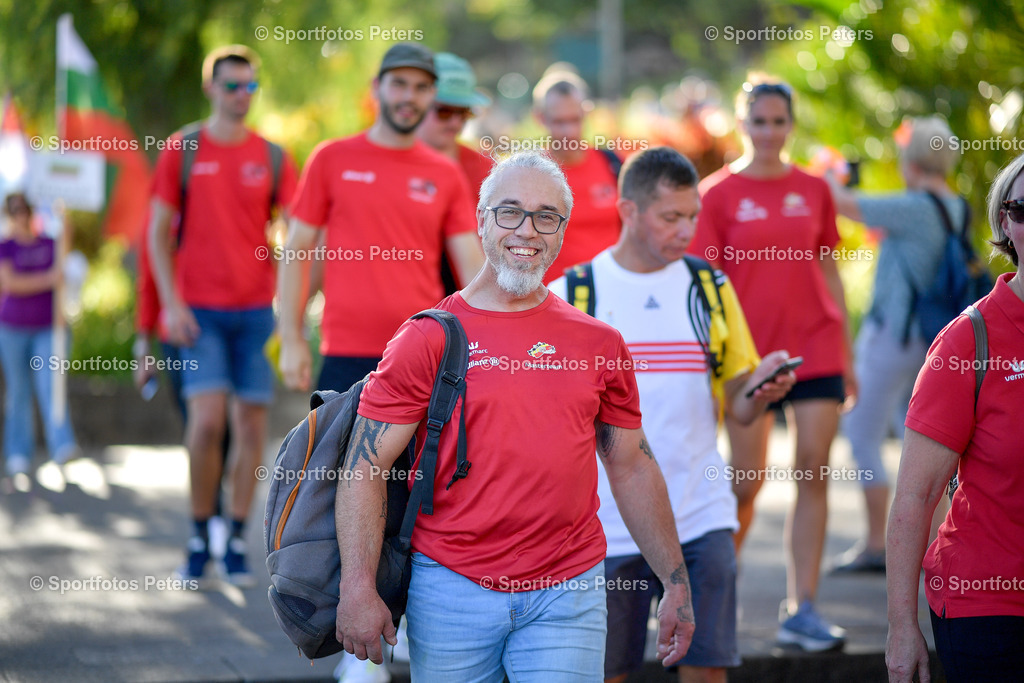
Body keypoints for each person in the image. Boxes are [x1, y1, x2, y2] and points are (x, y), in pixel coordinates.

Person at [334, 151, 696, 680]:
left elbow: (632, 465)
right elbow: (364, 466)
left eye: (546, 216)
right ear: (481, 220)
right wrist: (357, 588)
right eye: (510, 212)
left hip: (568, 589)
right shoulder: (426, 337)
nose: (527, 230)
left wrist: (675, 581)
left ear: (562, 230)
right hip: (450, 588)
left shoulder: (599, 342)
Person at [548, 147, 796, 683]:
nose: (686, 230)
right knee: (601, 674)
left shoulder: (710, 288)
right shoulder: (572, 295)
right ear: (628, 210)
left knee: (705, 670)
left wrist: (761, 390)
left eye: (692, 216)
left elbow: (740, 405)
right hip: (605, 527)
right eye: (670, 217)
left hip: (701, 517)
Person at [689, 77, 856, 652]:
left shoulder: (813, 188)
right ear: (742, 123)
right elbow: (705, 286)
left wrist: (847, 353)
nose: (768, 132)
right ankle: (707, 599)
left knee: (813, 470)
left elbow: (829, 268)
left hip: (816, 347)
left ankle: (802, 608)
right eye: (758, 121)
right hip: (748, 359)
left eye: (778, 121)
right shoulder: (715, 195)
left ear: (791, 124)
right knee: (745, 482)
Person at [148, 45, 298, 585]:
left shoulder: (273, 156)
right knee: (207, 422)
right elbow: (155, 234)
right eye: (232, 85)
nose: (242, 95)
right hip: (199, 316)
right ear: (210, 88)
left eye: (250, 86)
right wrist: (171, 304)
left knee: (252, 424)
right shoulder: (182, 149)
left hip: (255, 313)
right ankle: (197, 534)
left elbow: (298, 234)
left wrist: (289, 305)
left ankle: (234, 537)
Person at [885, 151, 1024, 683]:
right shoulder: (969, 341)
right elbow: (916, 496)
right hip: (990, 608)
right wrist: (902, 626)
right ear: (1005, 224)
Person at [277, 43, 483, 394]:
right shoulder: (331, 159)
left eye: (421, 87)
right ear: (377, 87)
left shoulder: (446, 174)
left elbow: (473, 268)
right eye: (399, 84)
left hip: (421, 350)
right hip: (344, 353)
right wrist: (290, 337)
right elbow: (297, 249)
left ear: (431, 94)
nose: (409, 97)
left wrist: (498, 337)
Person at [825, 117, 963, 574]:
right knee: (926, 439)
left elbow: (844, 204)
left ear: (912, 161)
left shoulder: (915, 206)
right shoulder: (956, 206)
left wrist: (830, 174)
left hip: (895, 337)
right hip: (931, 343)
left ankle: (875, 544)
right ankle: (935, 548)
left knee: (861, 430)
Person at [0, 192, 79, 485]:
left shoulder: (48, 243)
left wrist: (64, 211)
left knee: (51, 385)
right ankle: (18, 451)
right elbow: (10, 283)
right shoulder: (5, 247)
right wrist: (48, 279)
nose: (21, 215)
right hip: (12, 329)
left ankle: (61, 444)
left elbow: (65, 242)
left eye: (25, 209)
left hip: (48, 327)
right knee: (18, 391)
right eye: (15, 210)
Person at [533, 67, 622, 283]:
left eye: (575, 120)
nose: (569, 132)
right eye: (559, 122)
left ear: (587, 113)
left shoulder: (613, 164)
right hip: (553, 295)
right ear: (540, 118)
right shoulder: (530, 173)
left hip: (609, 291)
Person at [415, 51, 493, 295]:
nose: (455, 123)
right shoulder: (388, 165)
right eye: (445, 111)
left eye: (464, 113)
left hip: (467, 301)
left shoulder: (484, 169)